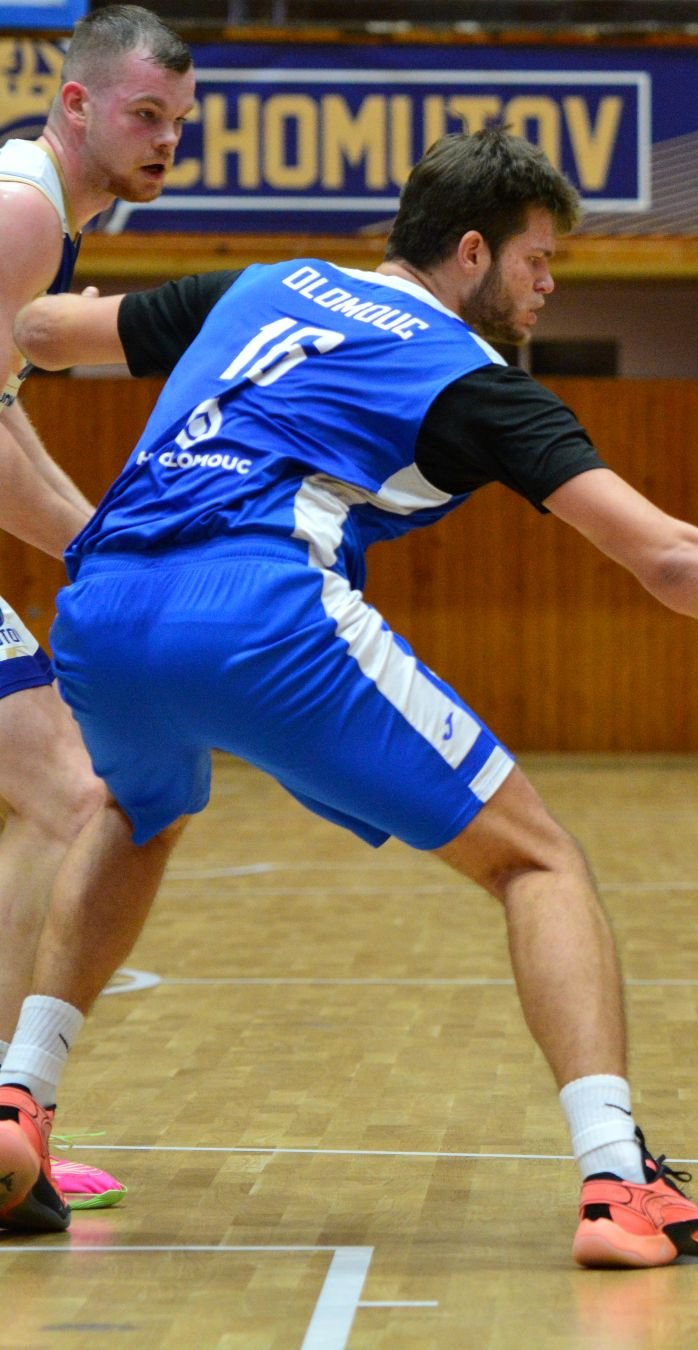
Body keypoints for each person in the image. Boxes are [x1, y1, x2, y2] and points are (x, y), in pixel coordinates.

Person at [0, 127, 698, 1262]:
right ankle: (616, 1181)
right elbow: (673, 558)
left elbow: (42, 331)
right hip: (256, 605)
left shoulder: (265, 284)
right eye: (538, 260)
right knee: (537, 862)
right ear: (473, 252)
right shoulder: (471, 378)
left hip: (98, 603)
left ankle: (18, 1102)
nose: (549, 285)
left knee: (136, 812)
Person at [0, 3, 195, 1217]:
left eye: (179, 120)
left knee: (64, 796)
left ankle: (5, 1121)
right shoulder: (25, 213)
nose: (165, 139)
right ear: (75, 105)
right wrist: (100, 551)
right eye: (144, 115)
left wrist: (100, 543)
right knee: (69, 795)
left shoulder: (54, 216)